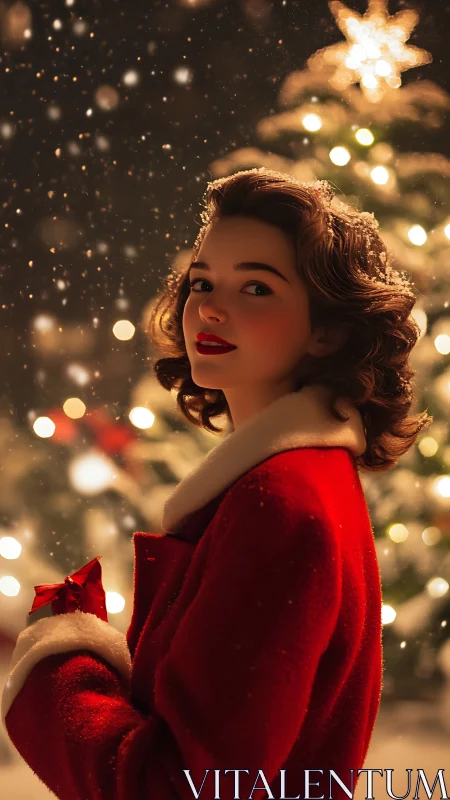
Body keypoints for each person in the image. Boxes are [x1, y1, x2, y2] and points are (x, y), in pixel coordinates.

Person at [1, 168, 432, 800]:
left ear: (329, 329)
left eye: (256, 286)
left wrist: (61, 660)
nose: (210, 307)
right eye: (203, 281)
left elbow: (180, 786)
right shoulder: (298, 478)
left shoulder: (280, 502)